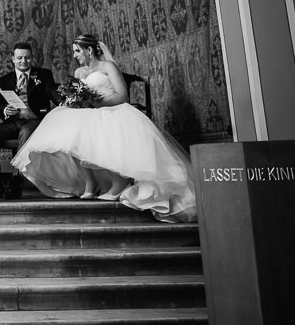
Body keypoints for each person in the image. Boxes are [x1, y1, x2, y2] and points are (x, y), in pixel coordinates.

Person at [11, 34, 198, 223]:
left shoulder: (108, 67)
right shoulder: (79, 72)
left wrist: (95, 103)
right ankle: (90, 183)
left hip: (111, 109)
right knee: (68, 133)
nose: (75, 55)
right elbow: (76, 94)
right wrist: (74, 101)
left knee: (98, 133)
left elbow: (121, 95)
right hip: (87, 111)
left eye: (77, 51)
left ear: (89, 50)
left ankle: (119, 183)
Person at [0, 42, 56, 200]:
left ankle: (16, 181)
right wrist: (6, 110)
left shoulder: (43, 75)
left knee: (25, 132)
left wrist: (64, 103)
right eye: (19, 58)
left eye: (27, 58)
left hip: (34, 121)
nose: (23, 61)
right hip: (12, 122)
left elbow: (52, 93)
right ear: (13, 59)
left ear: (32, 58)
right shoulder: (5, 79)